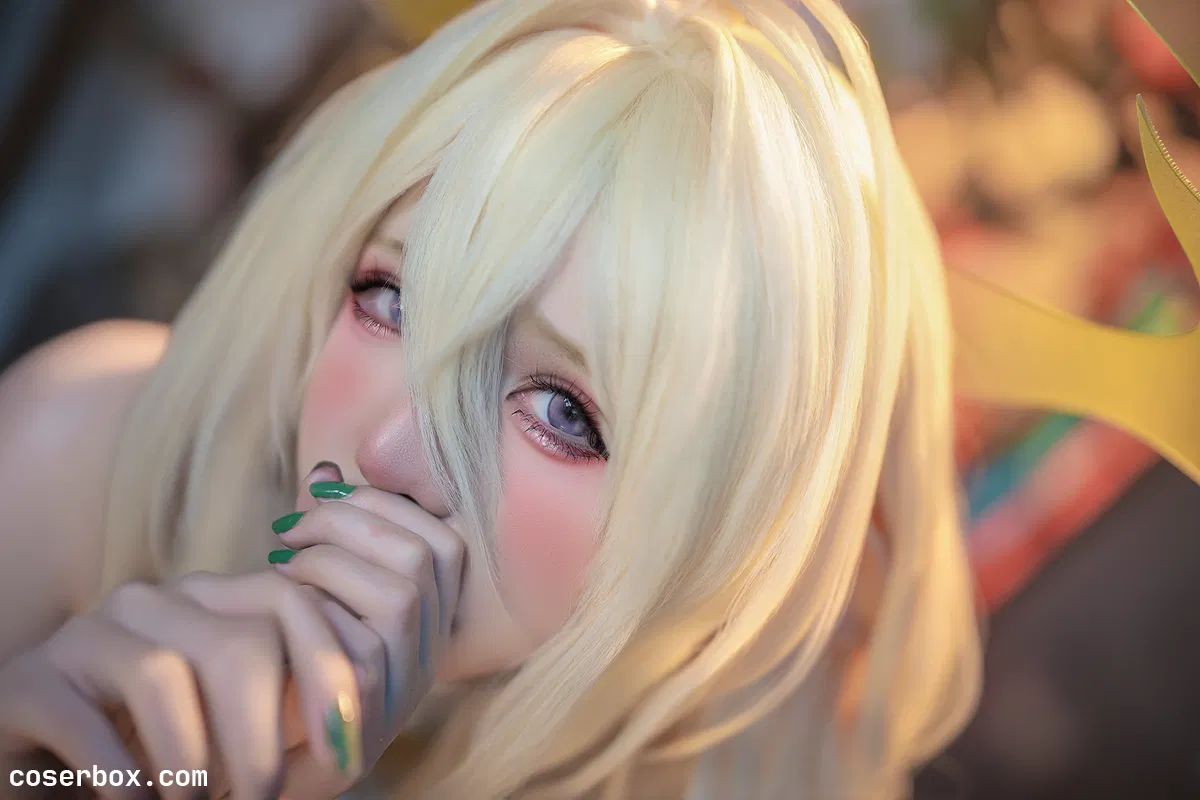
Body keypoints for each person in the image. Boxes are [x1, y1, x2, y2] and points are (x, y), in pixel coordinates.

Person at [0, 0, 982, 797]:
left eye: (564, 413)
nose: (390, 454)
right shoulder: (84, 446)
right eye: (388, 298)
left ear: (733, 530)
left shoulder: (734, 774)